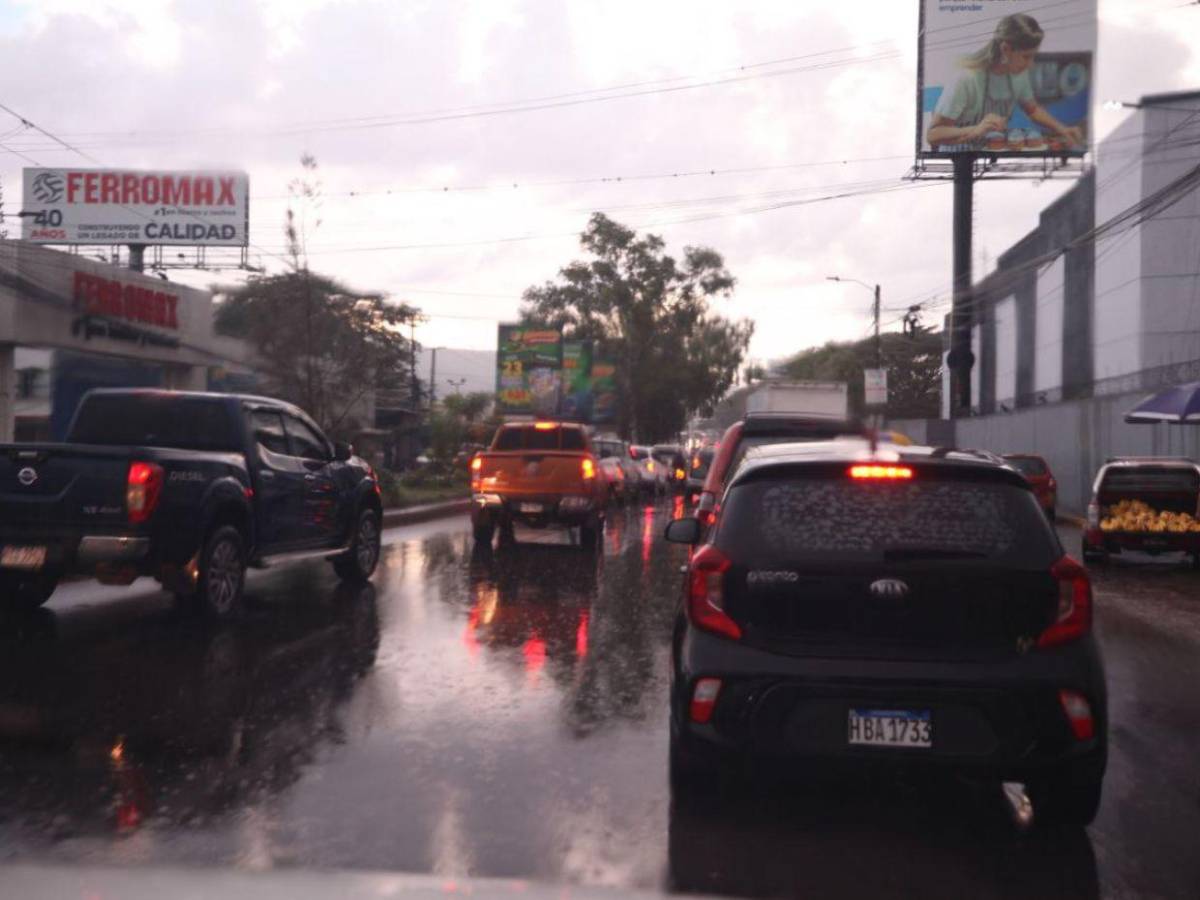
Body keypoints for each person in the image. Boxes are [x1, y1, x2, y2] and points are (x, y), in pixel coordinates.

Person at [926, 13, 1085, 151]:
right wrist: (976, 130)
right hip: (958, 162)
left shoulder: (1018, 76)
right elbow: (933, 135)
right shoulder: (966, 79)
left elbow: (1033, 110)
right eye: (1026, 57)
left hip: (990, 157)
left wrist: (1062, 129)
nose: (1030, 65)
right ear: (1006, 49)